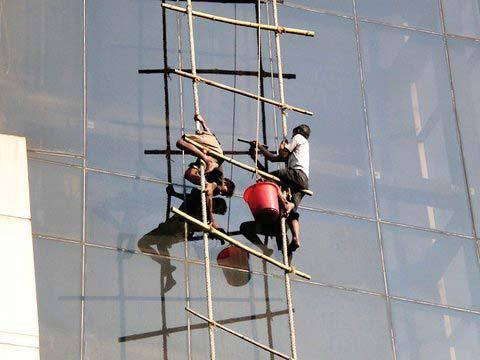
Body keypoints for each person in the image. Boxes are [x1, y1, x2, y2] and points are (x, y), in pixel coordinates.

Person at [137, 185, 227, 292]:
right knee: (144, 243)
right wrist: (174, 193)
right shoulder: (201, 202)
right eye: (215, 211)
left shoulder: (206, 216)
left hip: (178, 230)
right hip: (173, 226)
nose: (213, 213)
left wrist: (216, 233)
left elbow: (205, 226)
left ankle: (167, 269)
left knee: (159, 244)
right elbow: (187, 199)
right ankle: (166, 267)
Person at [249, 124, 310, 256]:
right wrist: (258, 150)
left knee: (269, 180)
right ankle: (296, 238)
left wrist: (282, 147)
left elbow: (282, 153)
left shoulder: (299, 138)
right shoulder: (300, 152)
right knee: (292, 207)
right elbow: (273, 158)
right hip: (303, 182)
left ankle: (283, 201)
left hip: (296, 174)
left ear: (298, 132)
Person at [176, 114, 235, 229]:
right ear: (226, 184)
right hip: (213, 152)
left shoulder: (216, 175)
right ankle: (206, 158)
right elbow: (210, 194)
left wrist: (202, 122)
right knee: (181, 143)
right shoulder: (219, 182)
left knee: (189, 174)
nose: (221, 193)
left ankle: (204, 157)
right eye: (224, 192)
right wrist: (211, 220)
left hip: (212, 145)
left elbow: (210, 135)